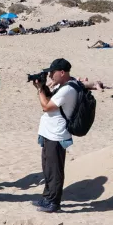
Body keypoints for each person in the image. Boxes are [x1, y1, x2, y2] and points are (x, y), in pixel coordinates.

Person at [32, 59, 78, 213]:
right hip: (49, 133)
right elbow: (51, 100)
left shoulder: (68, 89)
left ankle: (54, 202)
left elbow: (46, 106)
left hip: (57, 135)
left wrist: (39, 90)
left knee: (55, 170)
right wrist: (43, 86)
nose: (50, 75)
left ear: (62, 72)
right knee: (47, 169)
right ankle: (47, 198)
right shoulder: (62, 86)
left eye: (52, 72)